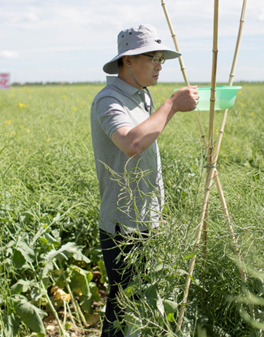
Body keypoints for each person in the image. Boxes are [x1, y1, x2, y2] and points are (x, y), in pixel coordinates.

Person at [90, 24, 198, 336]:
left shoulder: (142, 97)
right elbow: (132, 143)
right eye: (152, 57)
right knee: (123, 306)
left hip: (146, 216)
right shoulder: (108, 100)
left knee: (139, 303)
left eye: (162, 59)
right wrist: (172, 104)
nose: (159, 65)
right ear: (127, 61)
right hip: (123, 223)